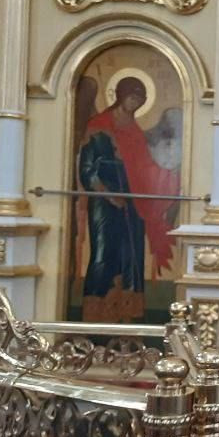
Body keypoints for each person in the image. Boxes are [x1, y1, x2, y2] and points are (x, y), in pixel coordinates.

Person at [77, 76, 176, 323]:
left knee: (130, 255)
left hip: (133, 203)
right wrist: (110, 196)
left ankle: (125, 313)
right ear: (120, 95)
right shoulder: (98, 126)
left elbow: (145, 167)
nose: (135, 103)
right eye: (132, 97)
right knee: (103, 253)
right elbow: (87, 170)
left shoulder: (135, 131)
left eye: (140, 99)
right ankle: (95, 313)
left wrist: (170, 175)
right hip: (104, 202)